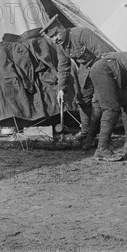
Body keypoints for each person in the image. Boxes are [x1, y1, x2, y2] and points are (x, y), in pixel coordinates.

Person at [40, 15, 115, 150]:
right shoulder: (61, 46)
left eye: (56, 34)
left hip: (101, 66)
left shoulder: (82, 33)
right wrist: (61, 89)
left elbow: (103, 54)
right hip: (85, 70)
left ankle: (92, 137)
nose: (55, 39)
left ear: (62, 29)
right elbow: (63, 67)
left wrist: (101, 77)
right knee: (81, 100)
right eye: (52, 37)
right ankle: (86, 131)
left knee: (97, 103)